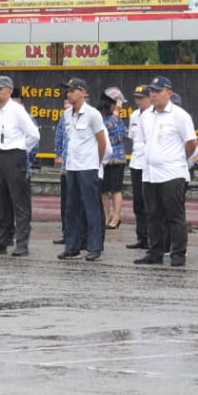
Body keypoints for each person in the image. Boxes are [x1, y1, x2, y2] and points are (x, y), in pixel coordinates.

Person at [135, 76, 196, 267]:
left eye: (157, 91)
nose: (153, 95)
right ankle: (155, 252)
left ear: (168, 93)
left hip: (172, 173)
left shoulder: (179, 115)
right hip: (150, 173)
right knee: (152, 214)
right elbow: (145, 141)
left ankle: (178, 253)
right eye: (151, 91)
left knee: (174, 216)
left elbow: (191, 142)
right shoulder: (145, 116)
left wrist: (178, 160)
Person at [0, 75, 40, 256]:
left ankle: (22, 243)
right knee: (1, 201)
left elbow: (34, 135)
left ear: (9, 91)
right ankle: (1, 241)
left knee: (20, 203)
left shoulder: (17, 110)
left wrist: (22, 150)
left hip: (15, 155)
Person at [56, 78, 108, 261]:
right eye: (67, 91)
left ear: (83, 92)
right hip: (72, 167)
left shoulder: (93, 114)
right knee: (71, 208)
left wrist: (96, 163)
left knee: (91, 208)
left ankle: (94, 247)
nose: (68, 94)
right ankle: (72, 246)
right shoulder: (67, 115)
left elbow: (102, 142)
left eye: (72, 90)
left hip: (88, 167)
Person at [124, 85, 153, 251]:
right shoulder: (134, 115)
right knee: (138, 203)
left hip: (149, 165)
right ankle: (141, 237)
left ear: (149, 98)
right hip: (136, 163)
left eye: (141, 97)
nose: (138, 101)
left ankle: (152, 238)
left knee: (150, 204)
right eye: (136, 97)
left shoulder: (153, 115)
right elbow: (133, 139)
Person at [101, 89, 128, 231]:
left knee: (116, 189)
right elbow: (103, 130)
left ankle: (116, 217)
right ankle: (106, 216)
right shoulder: (101, 117)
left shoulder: (117, 119)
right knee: (103, 189)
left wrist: (116, 115)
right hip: (103, 158)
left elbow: (123, 135)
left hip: (117, 157)